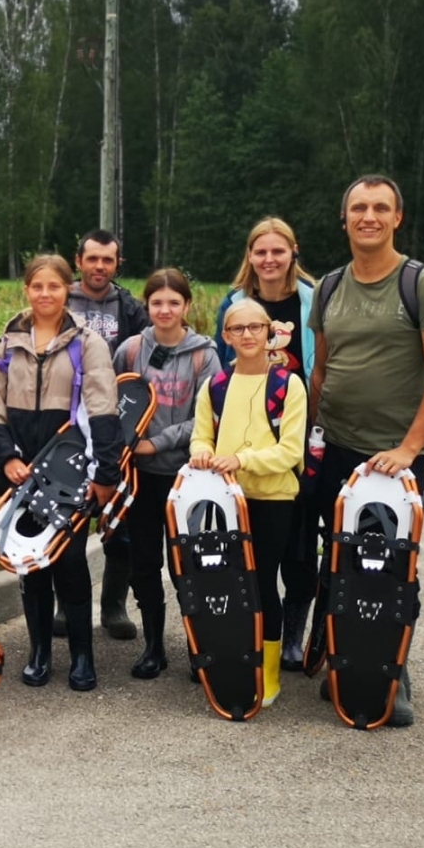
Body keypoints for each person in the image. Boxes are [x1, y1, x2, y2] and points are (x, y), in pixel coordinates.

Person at [307, 174, 424, 725]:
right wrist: (310, 439)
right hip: (336, 451)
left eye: (380, 208)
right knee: (338, 562)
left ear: (398, 217)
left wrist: (409, 447)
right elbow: (322, 372)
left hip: (395, 458)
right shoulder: (327, 288)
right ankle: (342, 665)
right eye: (358, 208)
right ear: (343, 218)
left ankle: (392, 672)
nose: (368, 216)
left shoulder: (422, 285)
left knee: (388, 569)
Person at [0, 254, 122, 692]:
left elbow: (103, 408)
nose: (45, 294)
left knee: (72, 560)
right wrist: (5, 459)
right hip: (22, 468)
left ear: (68, 289)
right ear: (27, 289)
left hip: (69, 466)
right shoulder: (7, 344)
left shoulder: (87, 344)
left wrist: (105, 473)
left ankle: (82, 655)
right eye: (37, 286)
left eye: (54, 287)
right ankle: (40, 652)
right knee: (31, 563)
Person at [212, 218, 319, 669]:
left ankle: (292, 631)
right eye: (261, 252)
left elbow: (323, 361)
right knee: (245, 547)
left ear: (293, 252)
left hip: (301, 429)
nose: (269, 260)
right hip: (243, 442)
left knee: (298, 542)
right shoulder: (235, 304)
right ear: (250, 257)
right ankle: (248, 632)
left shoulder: (313, 300)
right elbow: (222, 375)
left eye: (278, 251)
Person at [190, 298, 307, 707]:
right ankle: (232, 661)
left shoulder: (289, 385)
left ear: (270, 331)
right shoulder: (216, 386)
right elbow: (200, 435)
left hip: (273, 499)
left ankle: (268, 673)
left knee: (262, 583)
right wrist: (202, 453)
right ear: (225, 336)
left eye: (255, 327)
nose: (247, 335)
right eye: (237, 329)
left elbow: (290, 451)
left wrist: (241, 460)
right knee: (227, 583)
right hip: (225, 501)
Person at [111, 269, 219, 680]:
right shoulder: (131, 349)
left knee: (186, 563)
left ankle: (197, 643)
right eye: (157, 303)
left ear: (187, 306)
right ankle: (154, 646)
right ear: (147, 305)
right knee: (144, 562)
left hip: (185, 477)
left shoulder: (203, 355)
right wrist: (129, 445)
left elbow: (206, 417)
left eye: (174, 302)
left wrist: (157, 443)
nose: (165, 310)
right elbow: (115, 399)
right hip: (139, 478)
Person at [66, 228, 150, 642]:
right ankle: (67, 603)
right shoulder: (57, 300)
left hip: (117, 426)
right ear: (78, 260)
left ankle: (113, 605)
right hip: (66, 425)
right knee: (69, 515)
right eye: (92, 258)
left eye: (108, 260)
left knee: (122, 526)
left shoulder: (132, 309)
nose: (99, 266)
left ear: (118, 265)